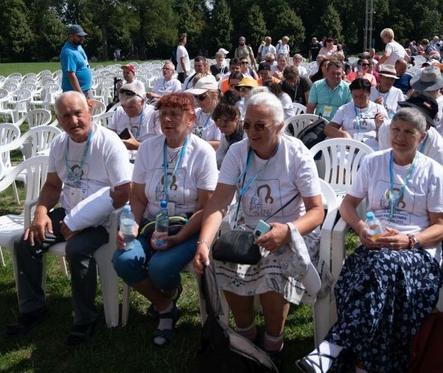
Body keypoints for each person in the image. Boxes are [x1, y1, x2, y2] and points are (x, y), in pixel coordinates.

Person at [298, 108, 443, 373]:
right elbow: (348, 204)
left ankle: (333, 347)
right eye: (395, 129)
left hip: (417, 252)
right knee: (378, 273)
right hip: (375, 244)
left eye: (408, 132)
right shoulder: (374, 162)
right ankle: (364, 366)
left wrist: (409, 240)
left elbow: (441, 226)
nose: (400, 137)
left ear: (422, 136)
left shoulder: (433, 171)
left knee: (378, 271)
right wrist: (360, 229)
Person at [193, 92, 325, 369]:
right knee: (221, 260)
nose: (251, 132)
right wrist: (203, 243)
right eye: (248, 124)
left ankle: (273, 343)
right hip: (250, 230)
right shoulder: (238, 152)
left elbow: (316, 211)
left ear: (278, 127)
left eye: (260, 126)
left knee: (272, 267)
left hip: (293, 231)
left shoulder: (296, 153)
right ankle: (247, 334)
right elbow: (218, 202)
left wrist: (288, 231)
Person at [5, 92, 131, 345]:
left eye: (78, 113)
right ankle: (33, 309)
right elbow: (52, 185)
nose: (73, 120)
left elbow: (123, 193)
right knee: (25, 241)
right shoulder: (60, 143)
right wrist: (41, 212)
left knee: (77, 249)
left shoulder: (109, 142)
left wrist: (80, 222)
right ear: (58, 119)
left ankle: (85, 319)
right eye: (65, 116)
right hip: (69, 211)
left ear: (90, 110)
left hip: (105, 217)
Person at [112, 93, 218, 346]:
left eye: (175, 114)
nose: (167, 120)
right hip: (151, 224)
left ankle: (167, 292)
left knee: (160, 268)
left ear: (191, 119)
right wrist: (130, 227)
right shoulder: (149, 147)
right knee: (123, 258)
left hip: (188, 227)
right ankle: (165, 305)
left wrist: (179, 237)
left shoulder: (202, 152)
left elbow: (206, 206)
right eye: (163, 114)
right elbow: (137, 197)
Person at [325, 78, 385, 149]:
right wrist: (343, 134)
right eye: (355, 96)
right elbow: (328, 129)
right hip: (349, 146)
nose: (358, 99)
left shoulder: (378, 109)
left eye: (362, 96)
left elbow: (388, 133)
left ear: (369, 93)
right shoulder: (344, 109)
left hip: (371, 147)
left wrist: (380, 126)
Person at [106, 82, 160, 152]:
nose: (127, 110)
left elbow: (161, 146)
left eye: (131, 107)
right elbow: (109, 135)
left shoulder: (154, 114)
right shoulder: (120, 111)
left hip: (147, 156)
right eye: (124, 107)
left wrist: (137, 146)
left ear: (142, 102)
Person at [185, 76, 222, 149]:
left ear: (214, 95)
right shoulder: (196, 112)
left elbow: (219, 144)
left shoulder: (221, 115)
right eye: (196, 96)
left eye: (202, 97)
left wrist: (195, 143)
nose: (198, 100)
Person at [211, 90, 244, 169]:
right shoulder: (225, 136)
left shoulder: (247, 134)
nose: (221, 131)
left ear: (236, 119)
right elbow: (220, 155)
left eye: (224, 126)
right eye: (219, 128)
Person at [60, 24, 92, 96]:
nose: (82, 38)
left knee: (90, 107)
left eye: (83, 36)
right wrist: (80, 94)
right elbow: (71, 75)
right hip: (75, 92)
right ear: (71, 36)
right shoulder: (68, 52)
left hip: (86, 89)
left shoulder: (78, 46)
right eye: (79, 36)